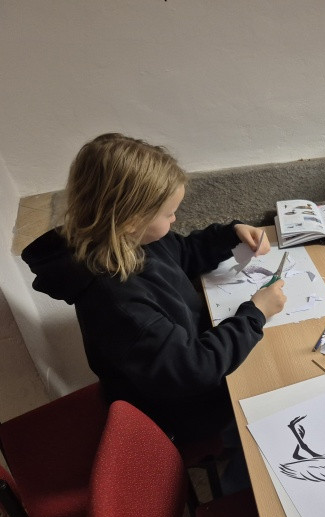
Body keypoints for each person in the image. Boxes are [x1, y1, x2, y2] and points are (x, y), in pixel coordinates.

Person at [22, 133, 286, 488]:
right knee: (273, 394)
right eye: (168, 213)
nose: (175, 219)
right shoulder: (117, 302)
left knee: (269, 365)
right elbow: (193, 369)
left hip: (177, 373)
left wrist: (231, 234)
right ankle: (240, 487)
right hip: (173, 410)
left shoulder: (130, 240)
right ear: (131, 219)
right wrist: (255, 314)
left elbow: (185, 253)